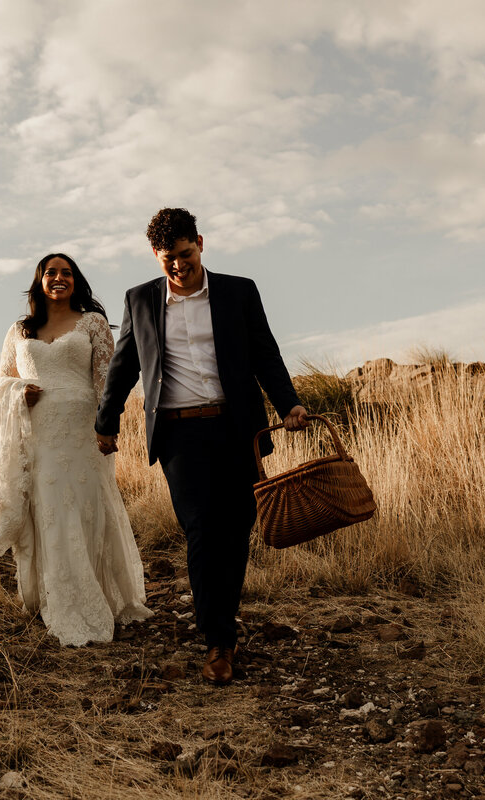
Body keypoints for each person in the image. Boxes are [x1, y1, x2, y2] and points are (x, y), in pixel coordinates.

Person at [95, 208, 308, 684]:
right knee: (201, 531)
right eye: (168, 258)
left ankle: (224, 626)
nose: (178, 266)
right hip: (179, 435)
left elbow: (265, 353)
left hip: (237, 429)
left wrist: (289, 404)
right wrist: (106, 423)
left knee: (235, 531)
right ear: (156, 255)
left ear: (201, 244)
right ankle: (217, 641)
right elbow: (124, 367)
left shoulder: (239, 291)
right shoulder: (140, 301)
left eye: (185, 254)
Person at [0, 253, 152, 646]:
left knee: (86, 507)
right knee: (48, 509)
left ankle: (98, 597)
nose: (59, 278)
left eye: (67, 273)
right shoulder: (20, 330)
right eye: (51, 272)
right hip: (38, 434)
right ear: (39, 281)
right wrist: (19, 392)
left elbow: (107, 380)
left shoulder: (91, 322)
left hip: (82, 431)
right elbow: (2, 382)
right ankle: (51, 599)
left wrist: (108, 429)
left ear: (76, 281)